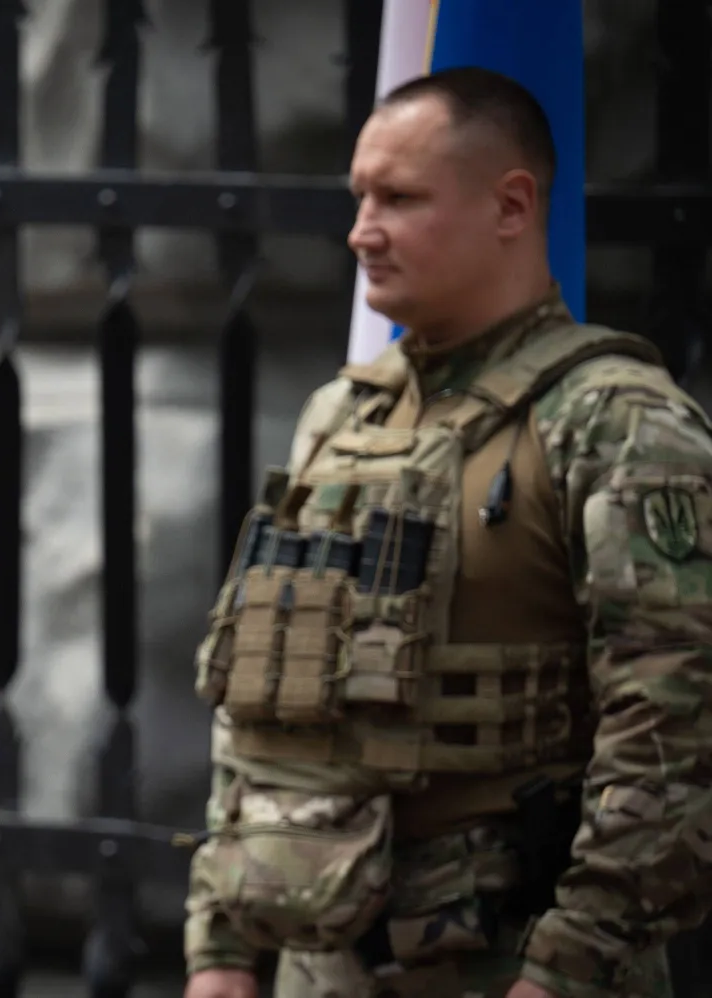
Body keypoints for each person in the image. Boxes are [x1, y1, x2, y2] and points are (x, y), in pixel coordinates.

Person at [183, 67, 712, 998]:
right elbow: (263, 690)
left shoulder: (618, 422)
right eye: (358, 197)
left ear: (511, 205)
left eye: (400, 197)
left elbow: (674, 728)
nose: (361, 230)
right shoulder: (338, 418)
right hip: (320, 955)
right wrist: (221, 948)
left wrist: (567, 967)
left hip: (517, 962)